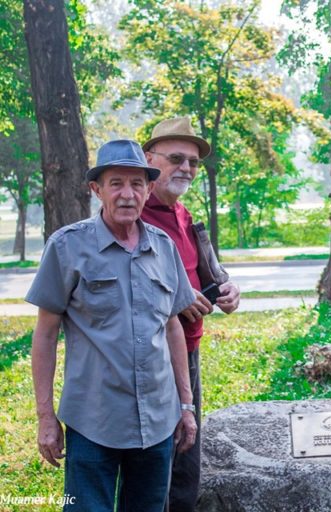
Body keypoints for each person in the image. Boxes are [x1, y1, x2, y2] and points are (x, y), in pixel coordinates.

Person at [27, 139, 198, 511]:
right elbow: (44, 335)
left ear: (149, 189)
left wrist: (186, 405)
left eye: (137, 184)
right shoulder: (67, 247)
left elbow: (172, 327)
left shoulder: (163, 246)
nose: (127, 194)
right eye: (116, 183)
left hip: (157, 420)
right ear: (96, 189)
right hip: (93, 421)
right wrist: (45, 417)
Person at [141, 117, 241, 512]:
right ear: (150, 159)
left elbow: (204, 275)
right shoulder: (133, 212)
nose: (186, 168)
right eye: (176, 158)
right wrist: (174, 300)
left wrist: (228, 289)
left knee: (187, 452)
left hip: (189, 350)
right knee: (153, 462)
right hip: (148, 355)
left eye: (194, 162)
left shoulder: (182, 214)